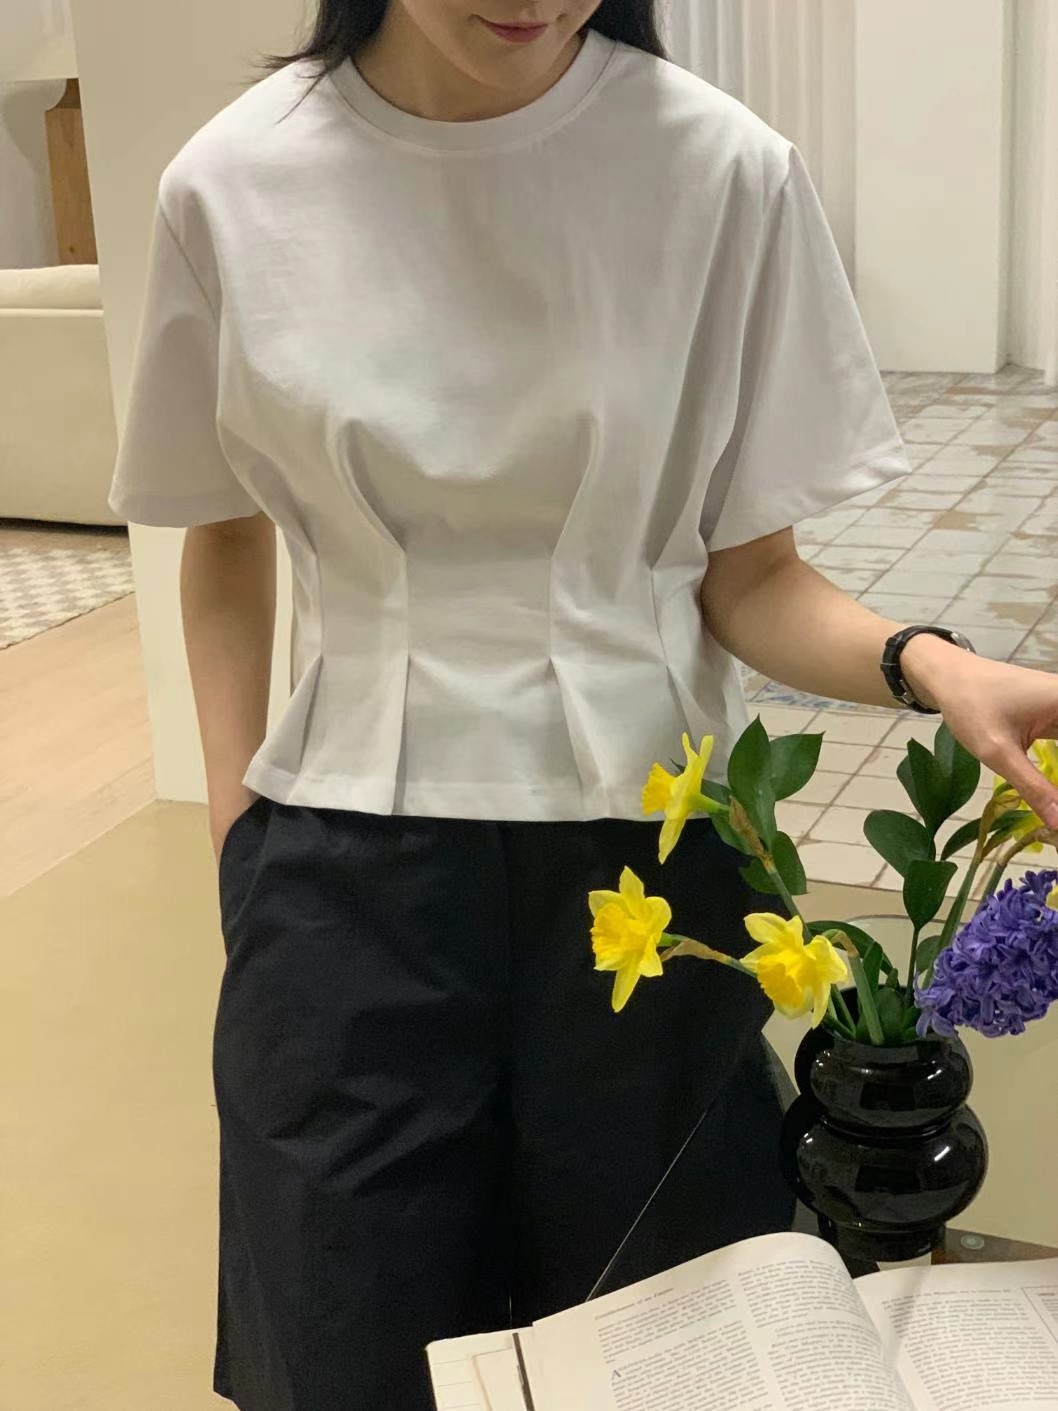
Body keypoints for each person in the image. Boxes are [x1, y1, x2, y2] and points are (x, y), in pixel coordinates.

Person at [107, 2, 1058, 1407]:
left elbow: (752, 580)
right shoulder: (235, 180)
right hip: (339, 879)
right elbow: (223, 536)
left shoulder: (720, 169)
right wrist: (237, 836)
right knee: (339, 1338)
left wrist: (932, 664)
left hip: (654, 875)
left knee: (662, 1348)